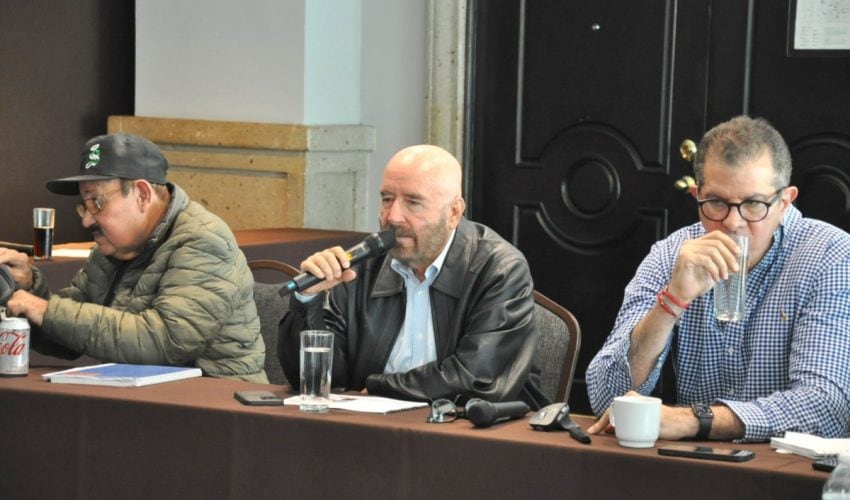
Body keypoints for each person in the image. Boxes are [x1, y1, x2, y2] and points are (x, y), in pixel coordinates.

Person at [586, 115, 850, 442]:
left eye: (753, 204)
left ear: (785, 202)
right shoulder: (670, 255)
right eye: (716, 203)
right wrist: (671, 302)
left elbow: (826, 409)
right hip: (693, 464)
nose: (733, 223)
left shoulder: (831, 256)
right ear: (697, 195)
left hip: (786, 467)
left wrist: (695, 420)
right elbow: (605, 399)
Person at [277, 145, 546, 407]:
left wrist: (379, 387)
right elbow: (319, 379)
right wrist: (308, 302)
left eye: (413, 202)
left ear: (454, 212)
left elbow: (476, 378)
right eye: (387, 199)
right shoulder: (362, 265)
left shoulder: (499, 268)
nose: (393, 216)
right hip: (368, 425)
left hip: (465, 426)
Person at [0, 133, 267, 382]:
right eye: (84, 206)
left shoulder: (203, 240)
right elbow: (67, 335)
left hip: (217, 401)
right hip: (142, 397)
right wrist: (26, 287)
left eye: (96, 203)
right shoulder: (111, 250)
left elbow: (164, 342)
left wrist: (43, 309)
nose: (86, 220)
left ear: (142, 195)